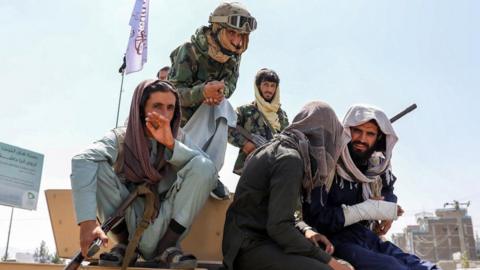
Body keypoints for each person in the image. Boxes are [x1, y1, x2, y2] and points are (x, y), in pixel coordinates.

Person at [70, 80, 216, 269]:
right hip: (126, 217)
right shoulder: (121, 138)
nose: (164, 115)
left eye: (170, 108)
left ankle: (168, 247)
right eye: (157, 106)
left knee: (203, 166)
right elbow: (82, 160)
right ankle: (123, 246)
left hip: (164, 219)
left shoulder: (178, 137)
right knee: (94, 163)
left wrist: (171, 145)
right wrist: (88, 224)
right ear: (140, 109)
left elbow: (209, 171)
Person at [303, 104, 440, 270]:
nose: (362, 139)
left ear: (378, 138)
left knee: (423, 267)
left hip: (365, 236)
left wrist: (387, 210)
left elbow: (388, 190)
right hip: (334, 240)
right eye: (357, 131)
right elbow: (317, 217)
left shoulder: (375, 164)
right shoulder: (329, 163)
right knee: (392, 267)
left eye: (370, 134)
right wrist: (365, 209)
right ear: (347, 131)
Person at [222, 101, 352, 270]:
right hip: (249, 248)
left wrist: (307, 231)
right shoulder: (290, 160)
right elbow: (280, 227)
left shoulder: (284, 149)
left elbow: (284, 213)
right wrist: (329, 261)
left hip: (254, 242)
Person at [168, 2, 257, 199]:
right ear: (217, 29)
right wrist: (202, 92)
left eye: (241, 35)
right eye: (231, 33)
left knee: (224, 107)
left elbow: (231, 85)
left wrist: (220, 92)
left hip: (207, 123)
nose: (237, 41)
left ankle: (210, 172)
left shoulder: (233, 57)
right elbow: (171, 94)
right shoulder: (189, 51)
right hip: (180, 130)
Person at [228, 68, 289, 175]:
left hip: (276, 167)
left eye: (272, 86)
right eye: (265, 84)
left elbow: (288, 139)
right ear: (258, 86)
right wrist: (245, 144)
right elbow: (227, 127)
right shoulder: (245, 111)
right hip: (251, 165)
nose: (269, 89)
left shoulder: (281, 115)